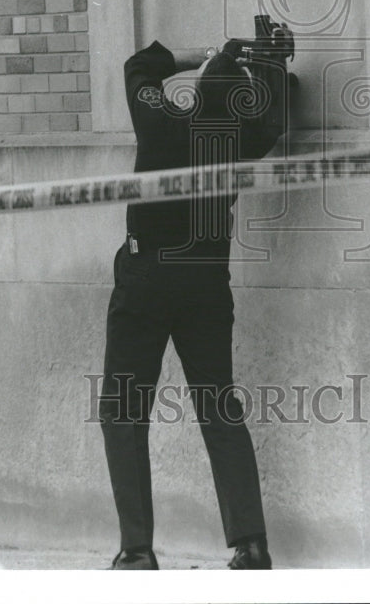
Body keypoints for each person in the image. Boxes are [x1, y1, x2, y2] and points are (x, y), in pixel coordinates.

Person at [99, 39, 283, 570]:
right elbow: (274, 111)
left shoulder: (162, 121)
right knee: (219, 407)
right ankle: (251, 545)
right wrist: (266, 64)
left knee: (124, 411)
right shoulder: (242, 141)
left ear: (197, 91)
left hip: (147, 278)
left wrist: (207, 51)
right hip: (206, 285)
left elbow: (138, 66)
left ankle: (136, 550)